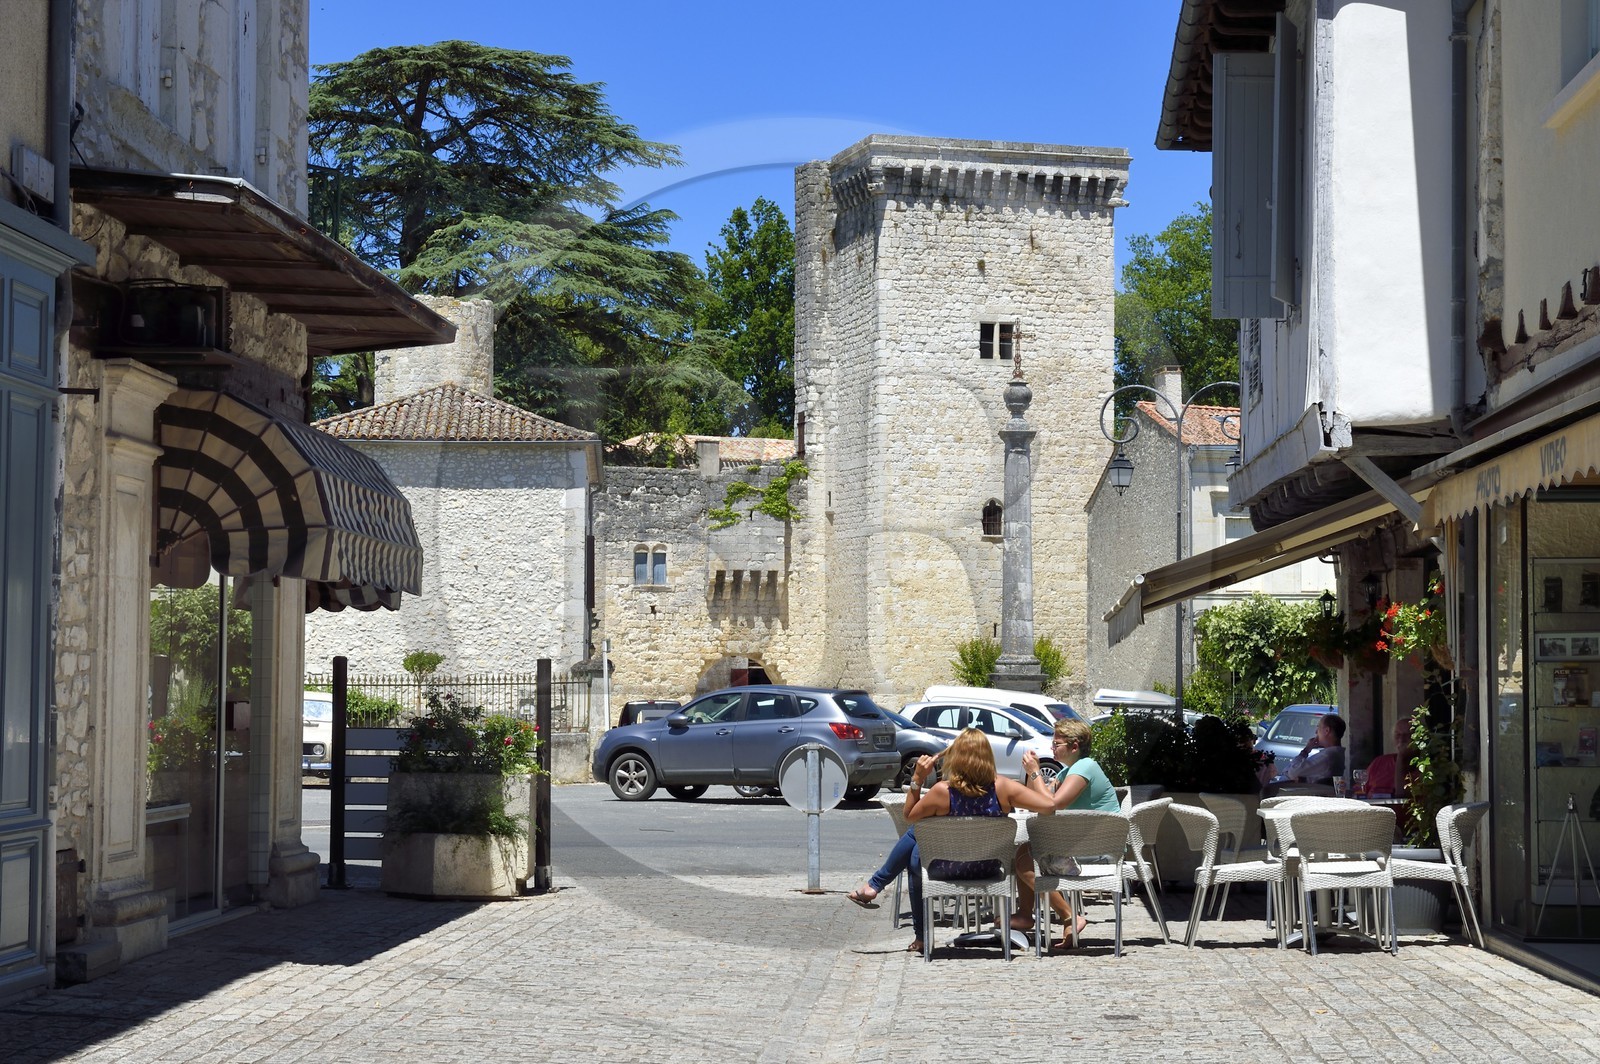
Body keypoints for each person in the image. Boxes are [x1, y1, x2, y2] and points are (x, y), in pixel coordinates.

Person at [845, 728, 1054, 953]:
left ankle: (916, 930)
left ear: (955, 757)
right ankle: (875, 886)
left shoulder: (941, 791)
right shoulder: (1003, 787)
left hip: (945, 868)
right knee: (917, 840)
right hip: (988, 867)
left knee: (916, 842)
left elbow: (908, 816)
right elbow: (1049, 806)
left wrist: (917, 778)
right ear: (988, 756)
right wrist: (1034, 772)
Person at [1011, 718, 1122, 946]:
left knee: (1025, 857)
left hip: (1098, 851)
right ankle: (1025, 914)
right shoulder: (1067, 772)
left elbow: (1053, 804)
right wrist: (1033, 772)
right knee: (1024, 852)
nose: (1052, 748)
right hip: (1083, 845)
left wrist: (1034, 773)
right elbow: (1038, 801)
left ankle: (1069, 916)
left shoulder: (1086, 766)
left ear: (1074, 746)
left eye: (1056, 744)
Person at [1261, 712, 1346, 796]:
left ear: (1327, 731)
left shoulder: (1328, 757)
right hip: (1300, 789)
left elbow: (1293, 772)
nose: (1316, 732)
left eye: (1318, 727)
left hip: (1300, 792)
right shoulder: (1331, 754)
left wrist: (1306, 751)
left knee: (1264, 791)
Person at [1363, 716, 1413, 798]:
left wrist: (1400, 757)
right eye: (1398, 735)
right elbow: (1360, 791)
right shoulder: (1380, 762)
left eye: (1408, 735)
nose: (1401, 739)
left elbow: (1400, 795)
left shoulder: (1423, 766)